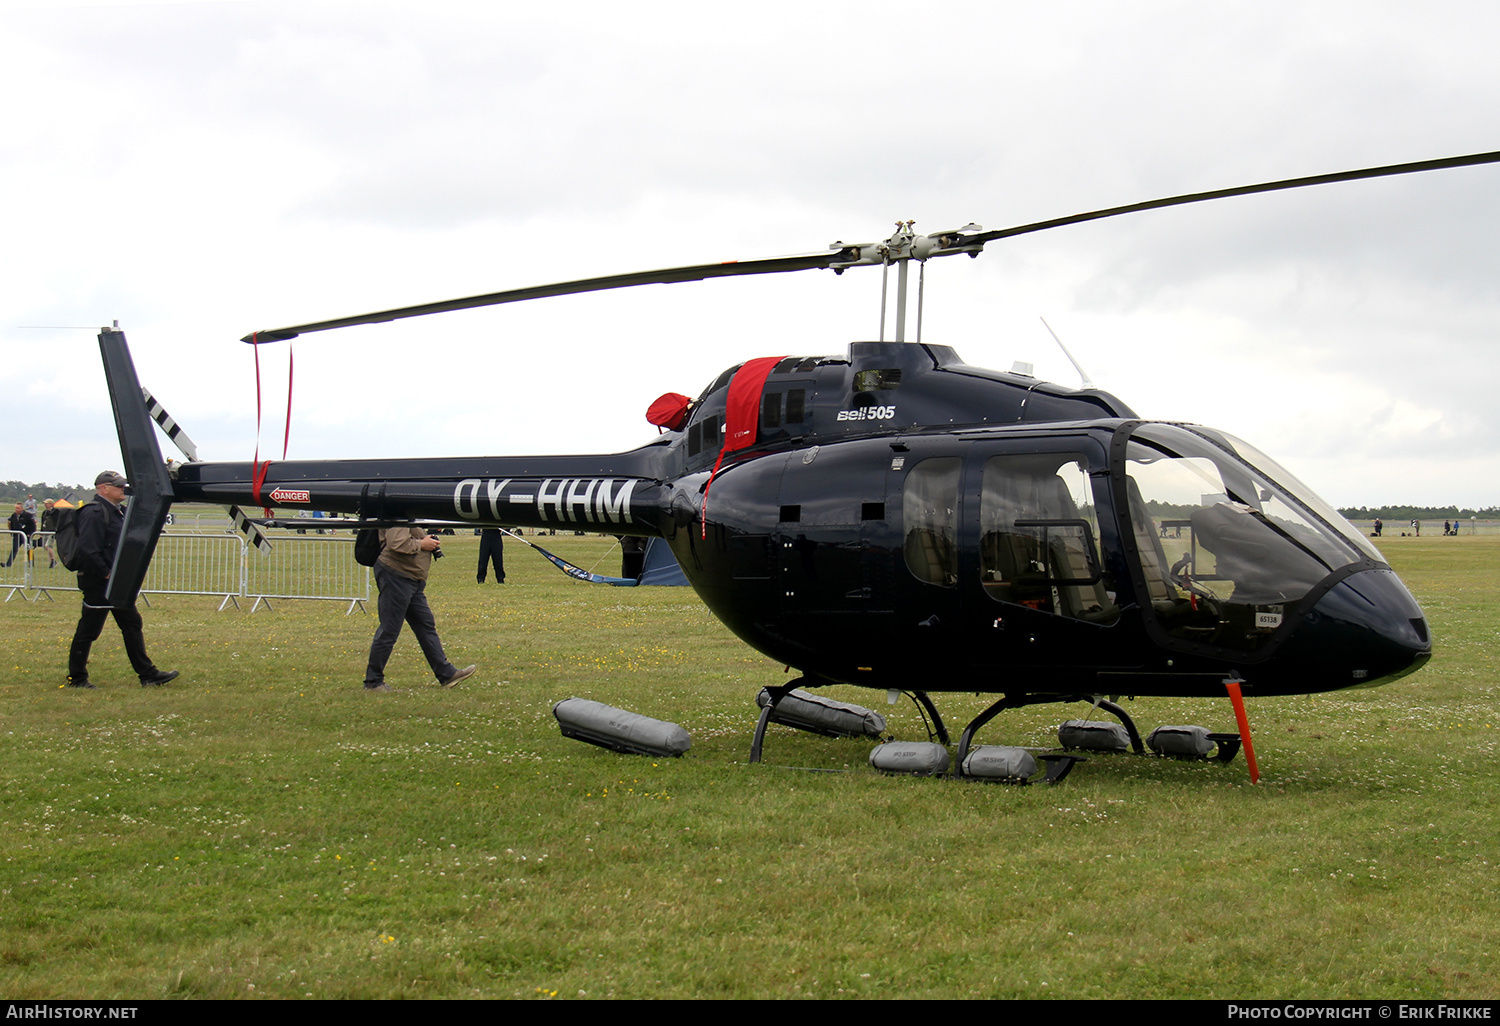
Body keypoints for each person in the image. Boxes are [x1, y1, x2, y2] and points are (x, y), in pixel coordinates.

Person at [67, 471, 178, 689]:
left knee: (131, 624)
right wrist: (106, 573)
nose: (122, 489)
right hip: (99, 581)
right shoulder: (94, 512)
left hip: (116, 581)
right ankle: (77, 678)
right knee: (89, 629)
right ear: (103, 489)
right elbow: (88, 549)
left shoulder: (118, 511)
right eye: (117, 486)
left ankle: (148, 674)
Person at [366, 525, 476, 692]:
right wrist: (422, 544)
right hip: (397, 575)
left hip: (411, 577)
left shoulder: (406, 509)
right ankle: (373, 681)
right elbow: (397, 543)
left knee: (425, 625)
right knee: (389, 629)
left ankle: (446, 674)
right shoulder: (398, 508)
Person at [6, 502, 35, 567]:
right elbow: (11, 524)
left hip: (26, 535)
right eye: (16, 508)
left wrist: (30, 534)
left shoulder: (27, 515)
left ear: (22, 508)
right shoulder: (14, 515)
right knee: (14, 549)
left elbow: (33, 526)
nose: (16, 509)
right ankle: (8, 564)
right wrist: (12, 533)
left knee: (29, 549)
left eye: (18, 508)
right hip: (17, 535)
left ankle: (31, 564)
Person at [38, 498, 59, 567]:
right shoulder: (44, 512)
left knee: (48, 546)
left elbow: (58, 521)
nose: (45, 505)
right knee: (45, 546)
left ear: (51, 504)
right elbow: (42, 522)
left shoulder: (56, 512)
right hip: (45, 531)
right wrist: (41, 532)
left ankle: (53, 560)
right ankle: (51, 562)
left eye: (46, 503)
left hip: (51, 531)